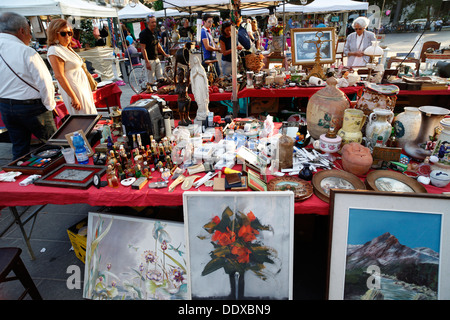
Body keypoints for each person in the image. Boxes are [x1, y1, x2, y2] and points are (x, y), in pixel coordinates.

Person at [0, 12, 57, 160]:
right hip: (32, 107)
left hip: (6, 105)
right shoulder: (26, 51)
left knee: (19, 149)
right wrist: (49, 106)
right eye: (30, 31)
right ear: (22, 31)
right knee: (54, 145)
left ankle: (18, 176)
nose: (31, 36)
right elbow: (45, 82)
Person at [47, 19, 97, 115]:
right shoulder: (55, 50)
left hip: (82, 87)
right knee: (85, 119)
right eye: (63, 33)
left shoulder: (66, 48)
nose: (67, 36)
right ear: (54, 34)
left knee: (90, 116)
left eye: (70, 33)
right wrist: (73, 97)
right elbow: (59, 76)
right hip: (74, 89)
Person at [139, 14, 170, 84]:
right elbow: (143, 48)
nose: (154, 24)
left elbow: (157, 44)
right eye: (152, 22)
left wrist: (165, 54)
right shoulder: (143, 33)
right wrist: (147, 62)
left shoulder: (155, 32)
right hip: (149, 59)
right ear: (147, 23)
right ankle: (150, 92)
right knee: (150, 81)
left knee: (161, 79)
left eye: (155, 22)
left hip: (156, 58)